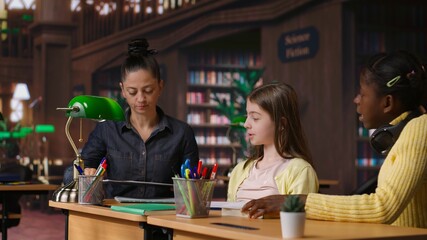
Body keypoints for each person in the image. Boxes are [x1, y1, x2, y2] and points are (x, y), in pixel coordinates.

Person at [241, 51, 427, 228]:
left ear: (387, 103)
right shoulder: (407, 132)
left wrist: (295, 201)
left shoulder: (420, 127)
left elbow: (382, 207)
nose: (356, 100)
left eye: (362, 94)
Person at [79, 38, 199, 198]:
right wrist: (87, 173)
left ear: (160, 87)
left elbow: (193, 189)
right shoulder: (107, 129)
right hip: (117, 218)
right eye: (132, 92)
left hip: (163, 219)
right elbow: (81, 169)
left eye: (148, 90)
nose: (141, 99)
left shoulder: (182, 133)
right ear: (122, 90)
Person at [227, 82, 318, 204]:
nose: (246, 124)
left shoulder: (300, 171)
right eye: (247, 116)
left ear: (282, 124)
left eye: (255, 118)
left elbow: (297, 219)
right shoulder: (240, 170)